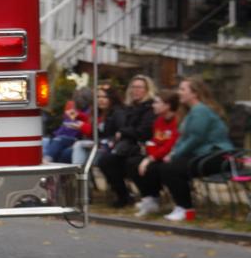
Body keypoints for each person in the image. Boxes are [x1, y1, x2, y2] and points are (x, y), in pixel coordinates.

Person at [159, 77, 234, 222]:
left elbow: (195, 138)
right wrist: (173, 152)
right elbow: (183, 138)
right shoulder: (192, 112)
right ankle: (180, 206)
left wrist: (175, 155)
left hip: (218, 156)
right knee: (166, 167)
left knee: (172, 168)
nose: (178, 92)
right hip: (204, 155)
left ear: (194, 93)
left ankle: (186, 208)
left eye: (182, 89)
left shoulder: (201, 111)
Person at [97, 75, 157, 208]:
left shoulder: (150, 108)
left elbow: (144, 131)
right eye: (133, 87)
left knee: (131, 163)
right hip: (128, 146)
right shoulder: (129, 108)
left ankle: (149, 197)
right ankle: (123, 195)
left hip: (143, 147)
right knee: (105, 161)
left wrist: (124, 132)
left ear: (147, 89)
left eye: (139, 87)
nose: (135, 90)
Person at [130, 90, 180, 217]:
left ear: (167, 106)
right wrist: (149, 155)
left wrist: (150, 158)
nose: (153, 105)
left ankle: (160, 199)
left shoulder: (177, 121)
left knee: (152, 167)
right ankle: (149, 198)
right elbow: (155, 142)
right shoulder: (158, 121)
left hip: (170, 156)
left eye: (157, 103)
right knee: (132, 162)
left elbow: (170, 145)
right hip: (158, 155)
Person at [42, 87, 92, 163]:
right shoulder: (72, 111)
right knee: (45, 141)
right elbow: (64, 126)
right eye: (77, 97)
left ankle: (47, 160)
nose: (79, 100)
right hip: (63, 136)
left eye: (82, 97)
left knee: (59, 141)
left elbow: (86, 126)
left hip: (75, 138)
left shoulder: (89, 112)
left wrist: (78, 119)